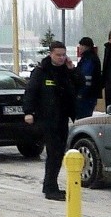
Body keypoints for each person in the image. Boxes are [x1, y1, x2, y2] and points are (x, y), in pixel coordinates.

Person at [23, 41, 83, 201]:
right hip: (47, 118)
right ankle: (50, 188)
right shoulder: (42, 71)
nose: (62, 58)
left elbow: (81, 84)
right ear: (51, 54)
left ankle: (50, 185)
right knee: (54, 153)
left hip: (62, 118)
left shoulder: (66, 71)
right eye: (58, 55)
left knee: (58, 153)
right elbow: (31, 92)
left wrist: (72, 69)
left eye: (64, 55)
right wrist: (28, 112)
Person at [75, 37, 102, 119]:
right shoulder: (88, 58)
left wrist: (80, 93)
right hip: (89, 95)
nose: (79, 47)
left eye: (81, 45)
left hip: (86, 96)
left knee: (82, 120)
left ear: (87, 47)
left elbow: (86, 77)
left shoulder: (89, 59)